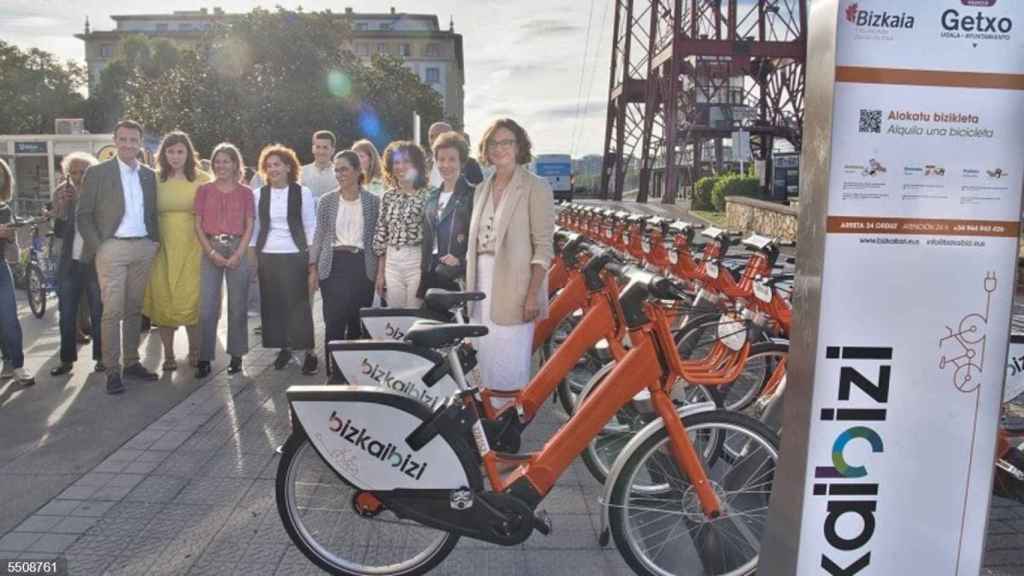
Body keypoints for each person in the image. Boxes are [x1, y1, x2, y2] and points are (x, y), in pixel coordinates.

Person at [466, 118, 555, 398]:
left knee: (508, 363)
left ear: (519, 147)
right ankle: (484, 425)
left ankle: (505, 425)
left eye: (506, 142)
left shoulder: (535, 187)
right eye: (493, 143)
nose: (499, 148)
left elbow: (543, 248)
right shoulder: (481, 189)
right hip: (480, 284)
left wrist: (532, 296)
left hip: (515, 287)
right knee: (481, 358)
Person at [77, 119, 161, 395]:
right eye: (123, 139)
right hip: (112, 247)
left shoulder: (149, 175)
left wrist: (154, 241)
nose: (128, 144)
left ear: (140, 143)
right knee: (111, 311)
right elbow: (84, 215)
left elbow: (152, 213)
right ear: (115, 141)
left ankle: (132, 363)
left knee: (135, 309)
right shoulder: (98, 173)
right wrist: (100, 246)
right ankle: (112, 370)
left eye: (133, 140)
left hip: (143, 247)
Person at [144, 131, 210, 373]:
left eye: (180, 151)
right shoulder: (154, 179)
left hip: (194, 246)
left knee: (192, 298)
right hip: (161, 247)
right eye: (170, 151)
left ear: (188, 153)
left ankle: (194, 350)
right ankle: (169, 355)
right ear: (163, 154)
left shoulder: (203, 179)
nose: (175, 156)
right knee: (164, 300)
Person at [250, 145, 318, 374]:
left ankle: (309, 352)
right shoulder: (259, 195)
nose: (273, 169)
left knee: (299, 307)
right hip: (267, 256)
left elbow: (310, 226)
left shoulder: (303, 192)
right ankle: (284, 349)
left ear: (289, 166)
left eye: (277, 164)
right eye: (268, 166)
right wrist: (253, 258)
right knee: (274, 307)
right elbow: (255, 229)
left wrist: (311, 261)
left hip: (295, 255)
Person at [310, 150, 380, 357]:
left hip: (362, 265)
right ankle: (334, 375)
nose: (339, 174)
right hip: (333, 265)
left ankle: (356, 375)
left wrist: (381, 271)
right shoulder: (326, 201)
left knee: (357, 322)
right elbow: (319, 235)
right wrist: (312, 267)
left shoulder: (373, 202)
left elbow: (377, 237)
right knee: (333, 322)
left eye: (344, 169)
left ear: (358, 171)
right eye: (336, 170)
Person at [193, 143, 254, 378]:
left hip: (238, 247)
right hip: (211, 247)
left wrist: (239, 253)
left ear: (235, 164)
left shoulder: (245, 192)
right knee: (207, 307)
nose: (221, 165)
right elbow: (197, 225)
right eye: (217, 161)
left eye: (226, 161)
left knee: (237, 306)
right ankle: (204, 357)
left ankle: (237, 356)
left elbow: (250, 225)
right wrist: (211, 253)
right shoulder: (204, 190)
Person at [50, 152, 104, 376]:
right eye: (73, 172)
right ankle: (66, 360)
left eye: (83, 171)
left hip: (93, 261)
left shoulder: (99, 195)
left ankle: (102, 357)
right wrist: (62, 208)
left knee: (98, 312)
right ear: (66, 174)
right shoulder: (62, 193)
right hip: (70, 263)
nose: (78, 176)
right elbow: (59, 232)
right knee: (67, 312)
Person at [372, 141, 429, 309]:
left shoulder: (429, 195)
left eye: (406, 161)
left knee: (414, 314)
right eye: (396, 162)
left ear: (416, 165)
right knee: (394, 315)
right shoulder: (388, 196)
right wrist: (380, 273)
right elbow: (382, 234)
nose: (400, 166)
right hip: (392, 262)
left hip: (416, 261)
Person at [418, 132, 474, 298]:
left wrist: (461, 260)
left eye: (451, 159)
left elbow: (479, 237)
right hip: (430, 272)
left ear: (461, 162)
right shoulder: (431, 196)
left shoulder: (472, 195)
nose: (445, 164)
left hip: (453, 275)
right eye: (441, 159)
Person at [0, 158, 35, 386]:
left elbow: (8, 239)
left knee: (9, 316)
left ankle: (16, 365)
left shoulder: (3, 209)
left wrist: (10, 231)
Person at [300, 131, 338, 199]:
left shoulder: (340, 174)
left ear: (333, 150)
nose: (321, 152)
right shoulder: (300, 173)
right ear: (312, 149)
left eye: (325, 147)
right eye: (318, 147)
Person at [427, 122, 452, 188]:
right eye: (431, 136)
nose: (434, 140)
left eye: (438, 136)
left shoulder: (467, 164)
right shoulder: (424, 165)